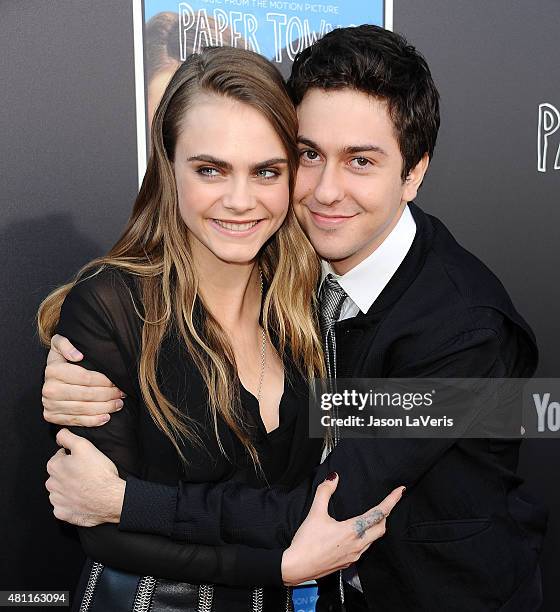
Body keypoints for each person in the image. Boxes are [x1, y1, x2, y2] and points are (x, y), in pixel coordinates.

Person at [42, 26, 546, 611]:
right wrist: (82, 368)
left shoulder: (463, 332)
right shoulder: (292, 275)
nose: (326, 191)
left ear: (414, 173)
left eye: (360, 161)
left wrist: (124, 501)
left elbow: (328, 501)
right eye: (308, 156)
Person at [38, 45, 402, 612]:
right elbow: (100, 529)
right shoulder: (112, 305)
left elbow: (463, 413)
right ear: (169, 167)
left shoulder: (309, 305)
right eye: (210, 170)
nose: (239, 201)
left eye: (266, 171)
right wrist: (278, 568)